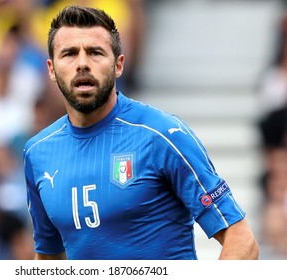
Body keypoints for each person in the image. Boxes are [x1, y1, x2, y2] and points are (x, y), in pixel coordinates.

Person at [23, 5, 259, 260]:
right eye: (69, 54)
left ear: (118, 65)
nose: (82, 63)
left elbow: (241, 239)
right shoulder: (38, 153)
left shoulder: (163, 135)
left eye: (95, 53)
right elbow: (48, 258)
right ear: (51, 69)